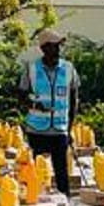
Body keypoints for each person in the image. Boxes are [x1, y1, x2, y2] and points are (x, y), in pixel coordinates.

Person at [18, 28, 79, 195]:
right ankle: (38, 200)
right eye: (54, 46)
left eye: (59, 46)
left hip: (60, 129)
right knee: (37, 171)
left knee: (61, 171)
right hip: (37, 129)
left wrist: (70, 128)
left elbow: (74, 100)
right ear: (44, 48)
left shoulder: (68, 69)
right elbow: (21, 96)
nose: (58, 50)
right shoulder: (32, 69)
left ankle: (63, 202)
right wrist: (36, 106)